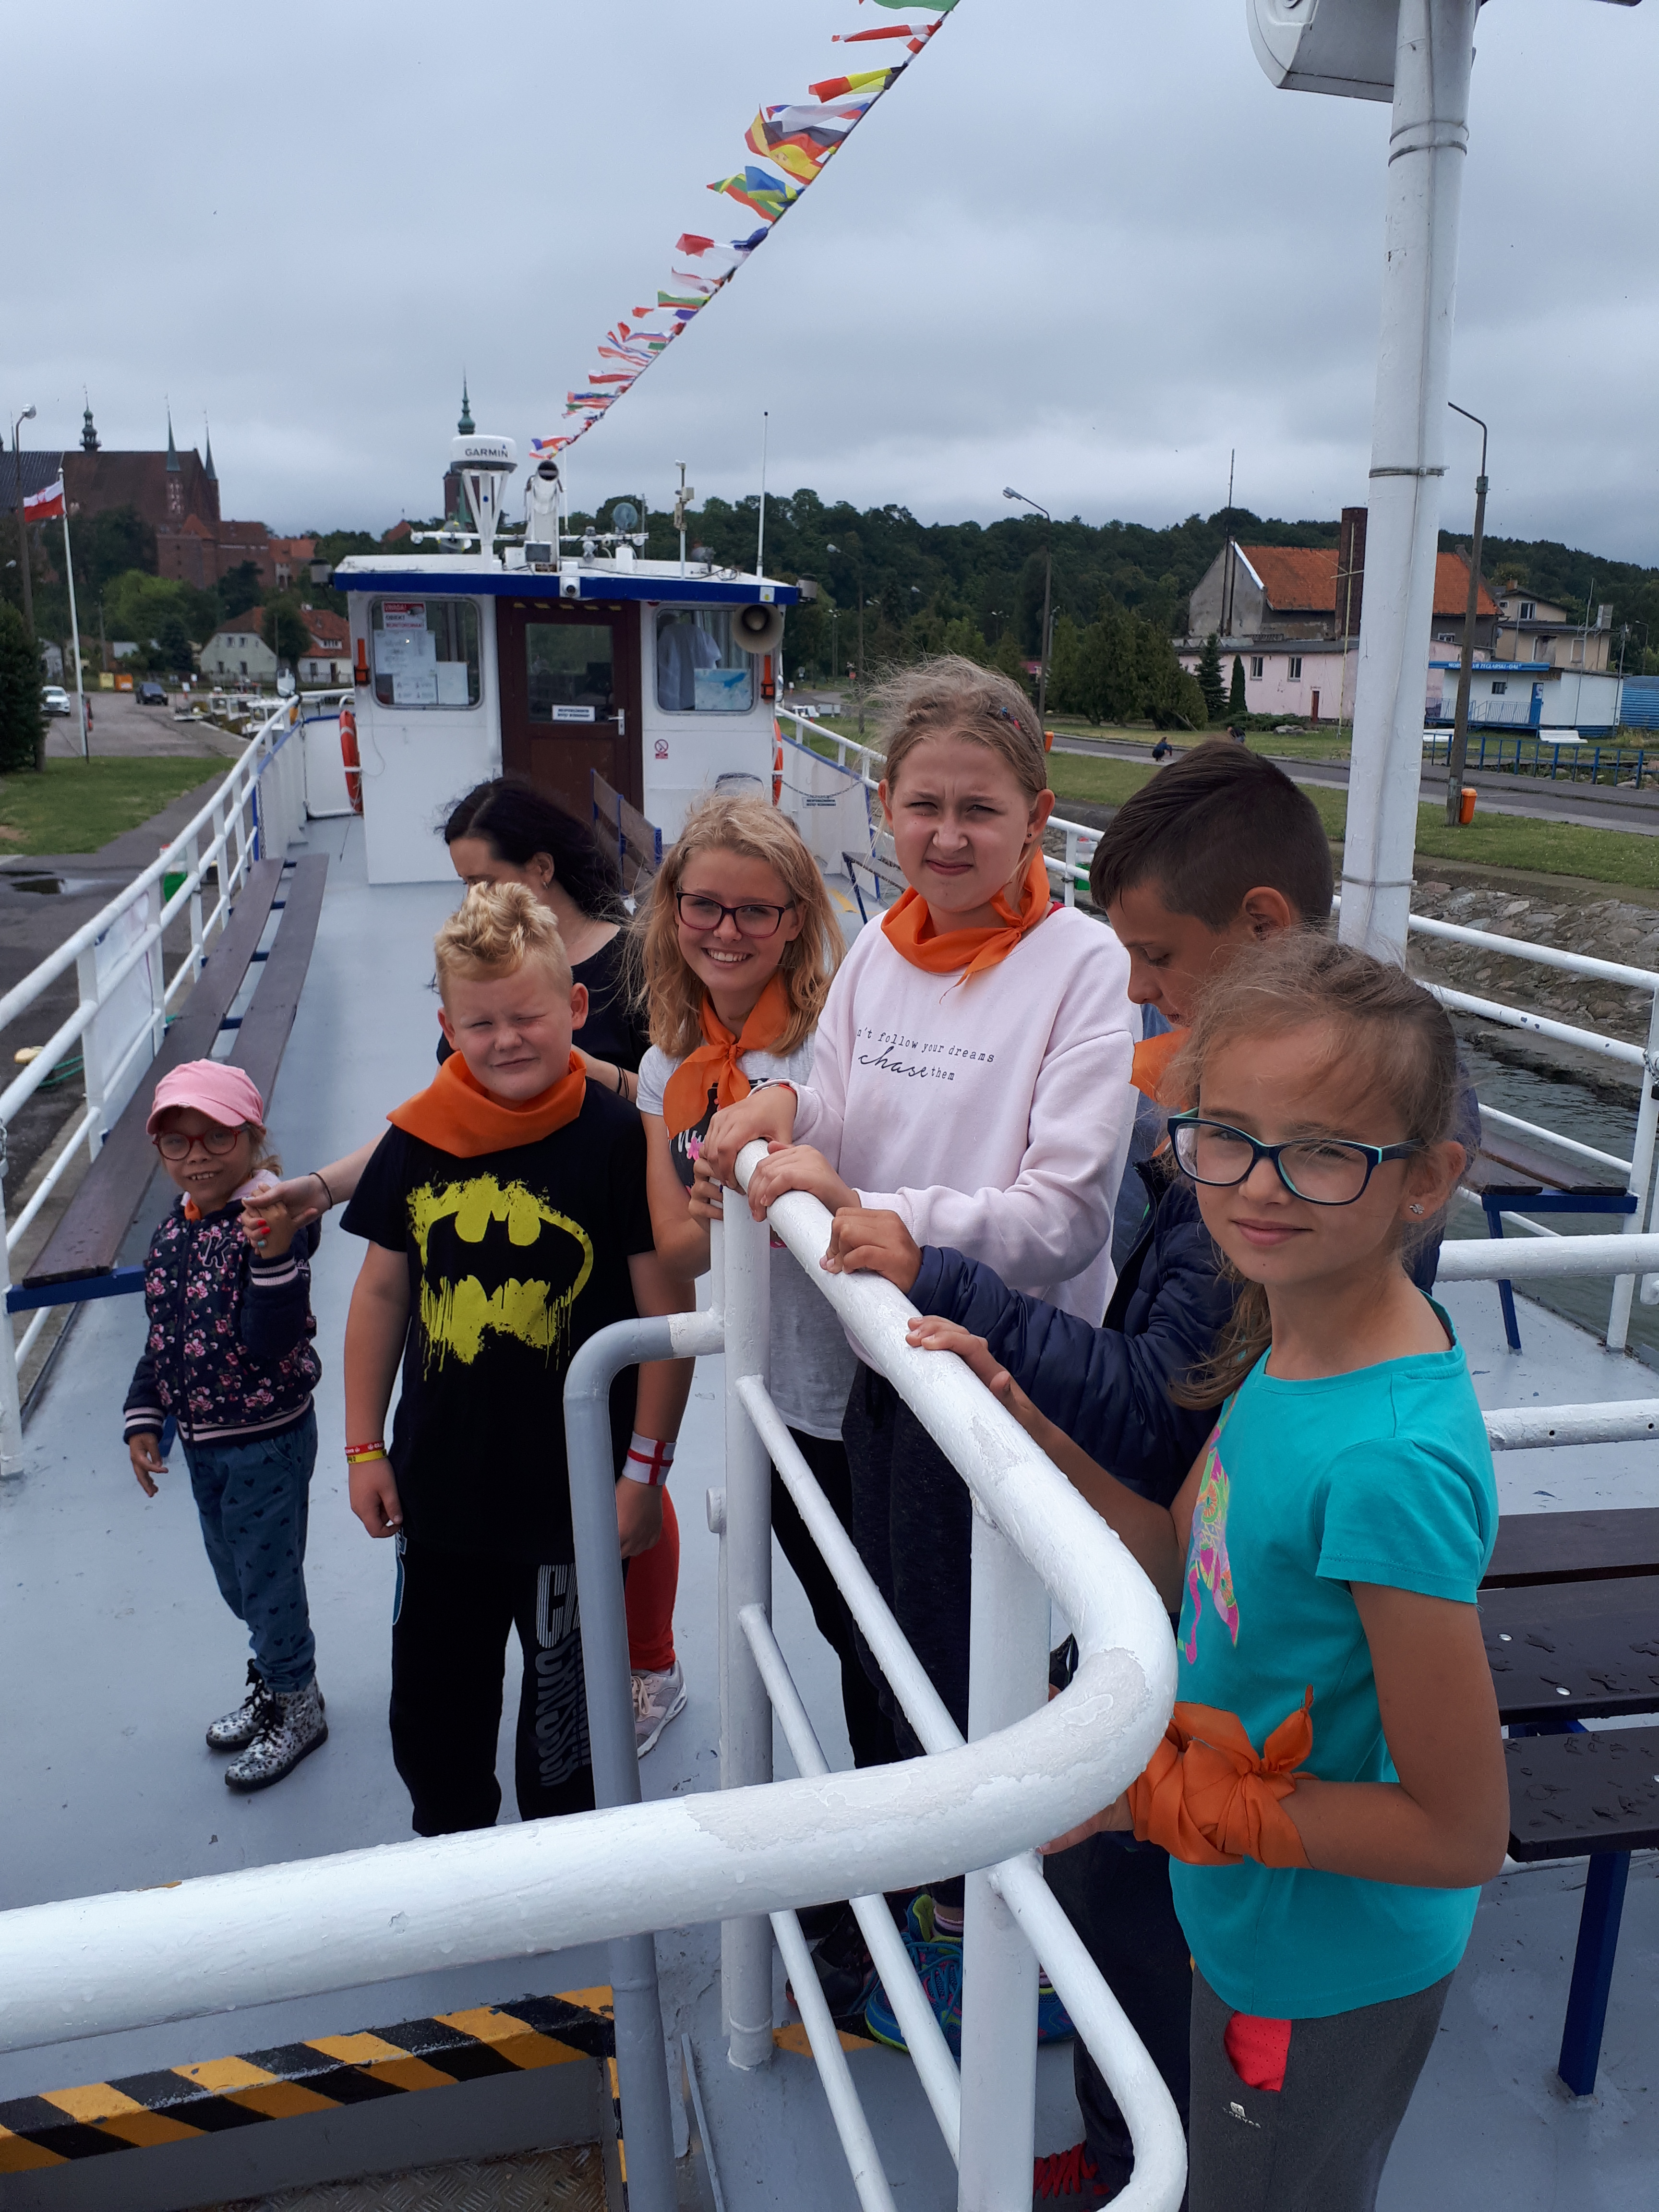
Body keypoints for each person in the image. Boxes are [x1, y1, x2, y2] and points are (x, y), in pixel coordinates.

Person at [908, 934, 1507, 2212]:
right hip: (1244, 1908)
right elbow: (1188, 1559)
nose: (1258, 1187)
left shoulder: (1387, 1463)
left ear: (1426, 1182)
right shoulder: (1291, 1340)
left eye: (1326, 1151)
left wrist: (1158, 1803)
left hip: (1321, 1968)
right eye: (1224, 1136)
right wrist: (1026, 1422)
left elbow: (1460, 1832)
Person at [830, 738, 1344, 2196]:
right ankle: (1131, 2151)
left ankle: (1152, 2164)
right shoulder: (1265, 1121)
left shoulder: (1303, 1163)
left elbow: (1158, 1399)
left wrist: (954, 1286)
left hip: (1244, 1625)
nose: (1140, 995)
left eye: (1159, 960)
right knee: (1129, 1894)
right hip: (1198, 1568)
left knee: (1162, 1913)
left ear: (1261, 928)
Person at [700, 654, 1137, 2053]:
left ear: (1036, 817)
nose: (948, 836)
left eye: (980, 809)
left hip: (996, 1375)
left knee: (966, 1667)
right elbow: (834, 1100)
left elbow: (1065, 1217)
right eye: (925, 805)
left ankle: (988, 1935)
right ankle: (938, 1894)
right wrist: (777, 1107)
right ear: (885, 803)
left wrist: (877, 1212)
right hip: (883, 1359)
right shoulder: (882, 948)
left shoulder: (1081, 965)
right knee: (893, 1648)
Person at [338, 884, 693, 1835]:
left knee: (563, 1728)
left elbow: (665, 1315)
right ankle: (451, 1847)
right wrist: (364, 1448)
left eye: (527, 1016)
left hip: (572, 1503)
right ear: (448, 1028)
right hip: (439, 1494)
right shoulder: (415, 1137)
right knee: (435, 1710)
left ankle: (562, 1865)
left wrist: (643, 1475)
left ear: (574, 1008)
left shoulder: (616, 1141)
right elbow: (381, 1295)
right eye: (481, 1023)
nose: (506, 1040)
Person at [627, 791, 896, 1782]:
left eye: (756, 911)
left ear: (796, 921)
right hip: (773, 1391)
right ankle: (886, 1828)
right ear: (673, 911)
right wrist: (716, 1200)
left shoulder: (834, 1049)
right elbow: (676, 1252)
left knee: (892, 1640)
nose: (727, 931)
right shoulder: (666, 1066)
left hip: (866, 1389)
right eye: (703, 905)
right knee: (843, 1628)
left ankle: (914, 1841)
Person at [257, 776, 648, 1238]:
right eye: (466, 885)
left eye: (484, 883)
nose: (472, 901)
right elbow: (443, 1116)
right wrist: (324, 1189)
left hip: (601, 1217)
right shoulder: (481, 972)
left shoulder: (637, 965)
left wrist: (596, 1074)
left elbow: (682, 1104)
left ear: (542, 867)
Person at [123, 1061, 325, 1793]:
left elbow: (273, 1339)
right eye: (177, 1142)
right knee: (238, 1579)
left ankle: (298, 1703)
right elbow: (165, 1336)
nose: (198, 1156)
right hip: (205, 1444)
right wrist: (145, 1416)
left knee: (267, 1582)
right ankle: (277, 1678)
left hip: (265, 1439)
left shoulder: (269, 1224)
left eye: (217, 1137)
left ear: (253, 1138)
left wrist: (272, 1255)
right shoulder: (173, 1231)